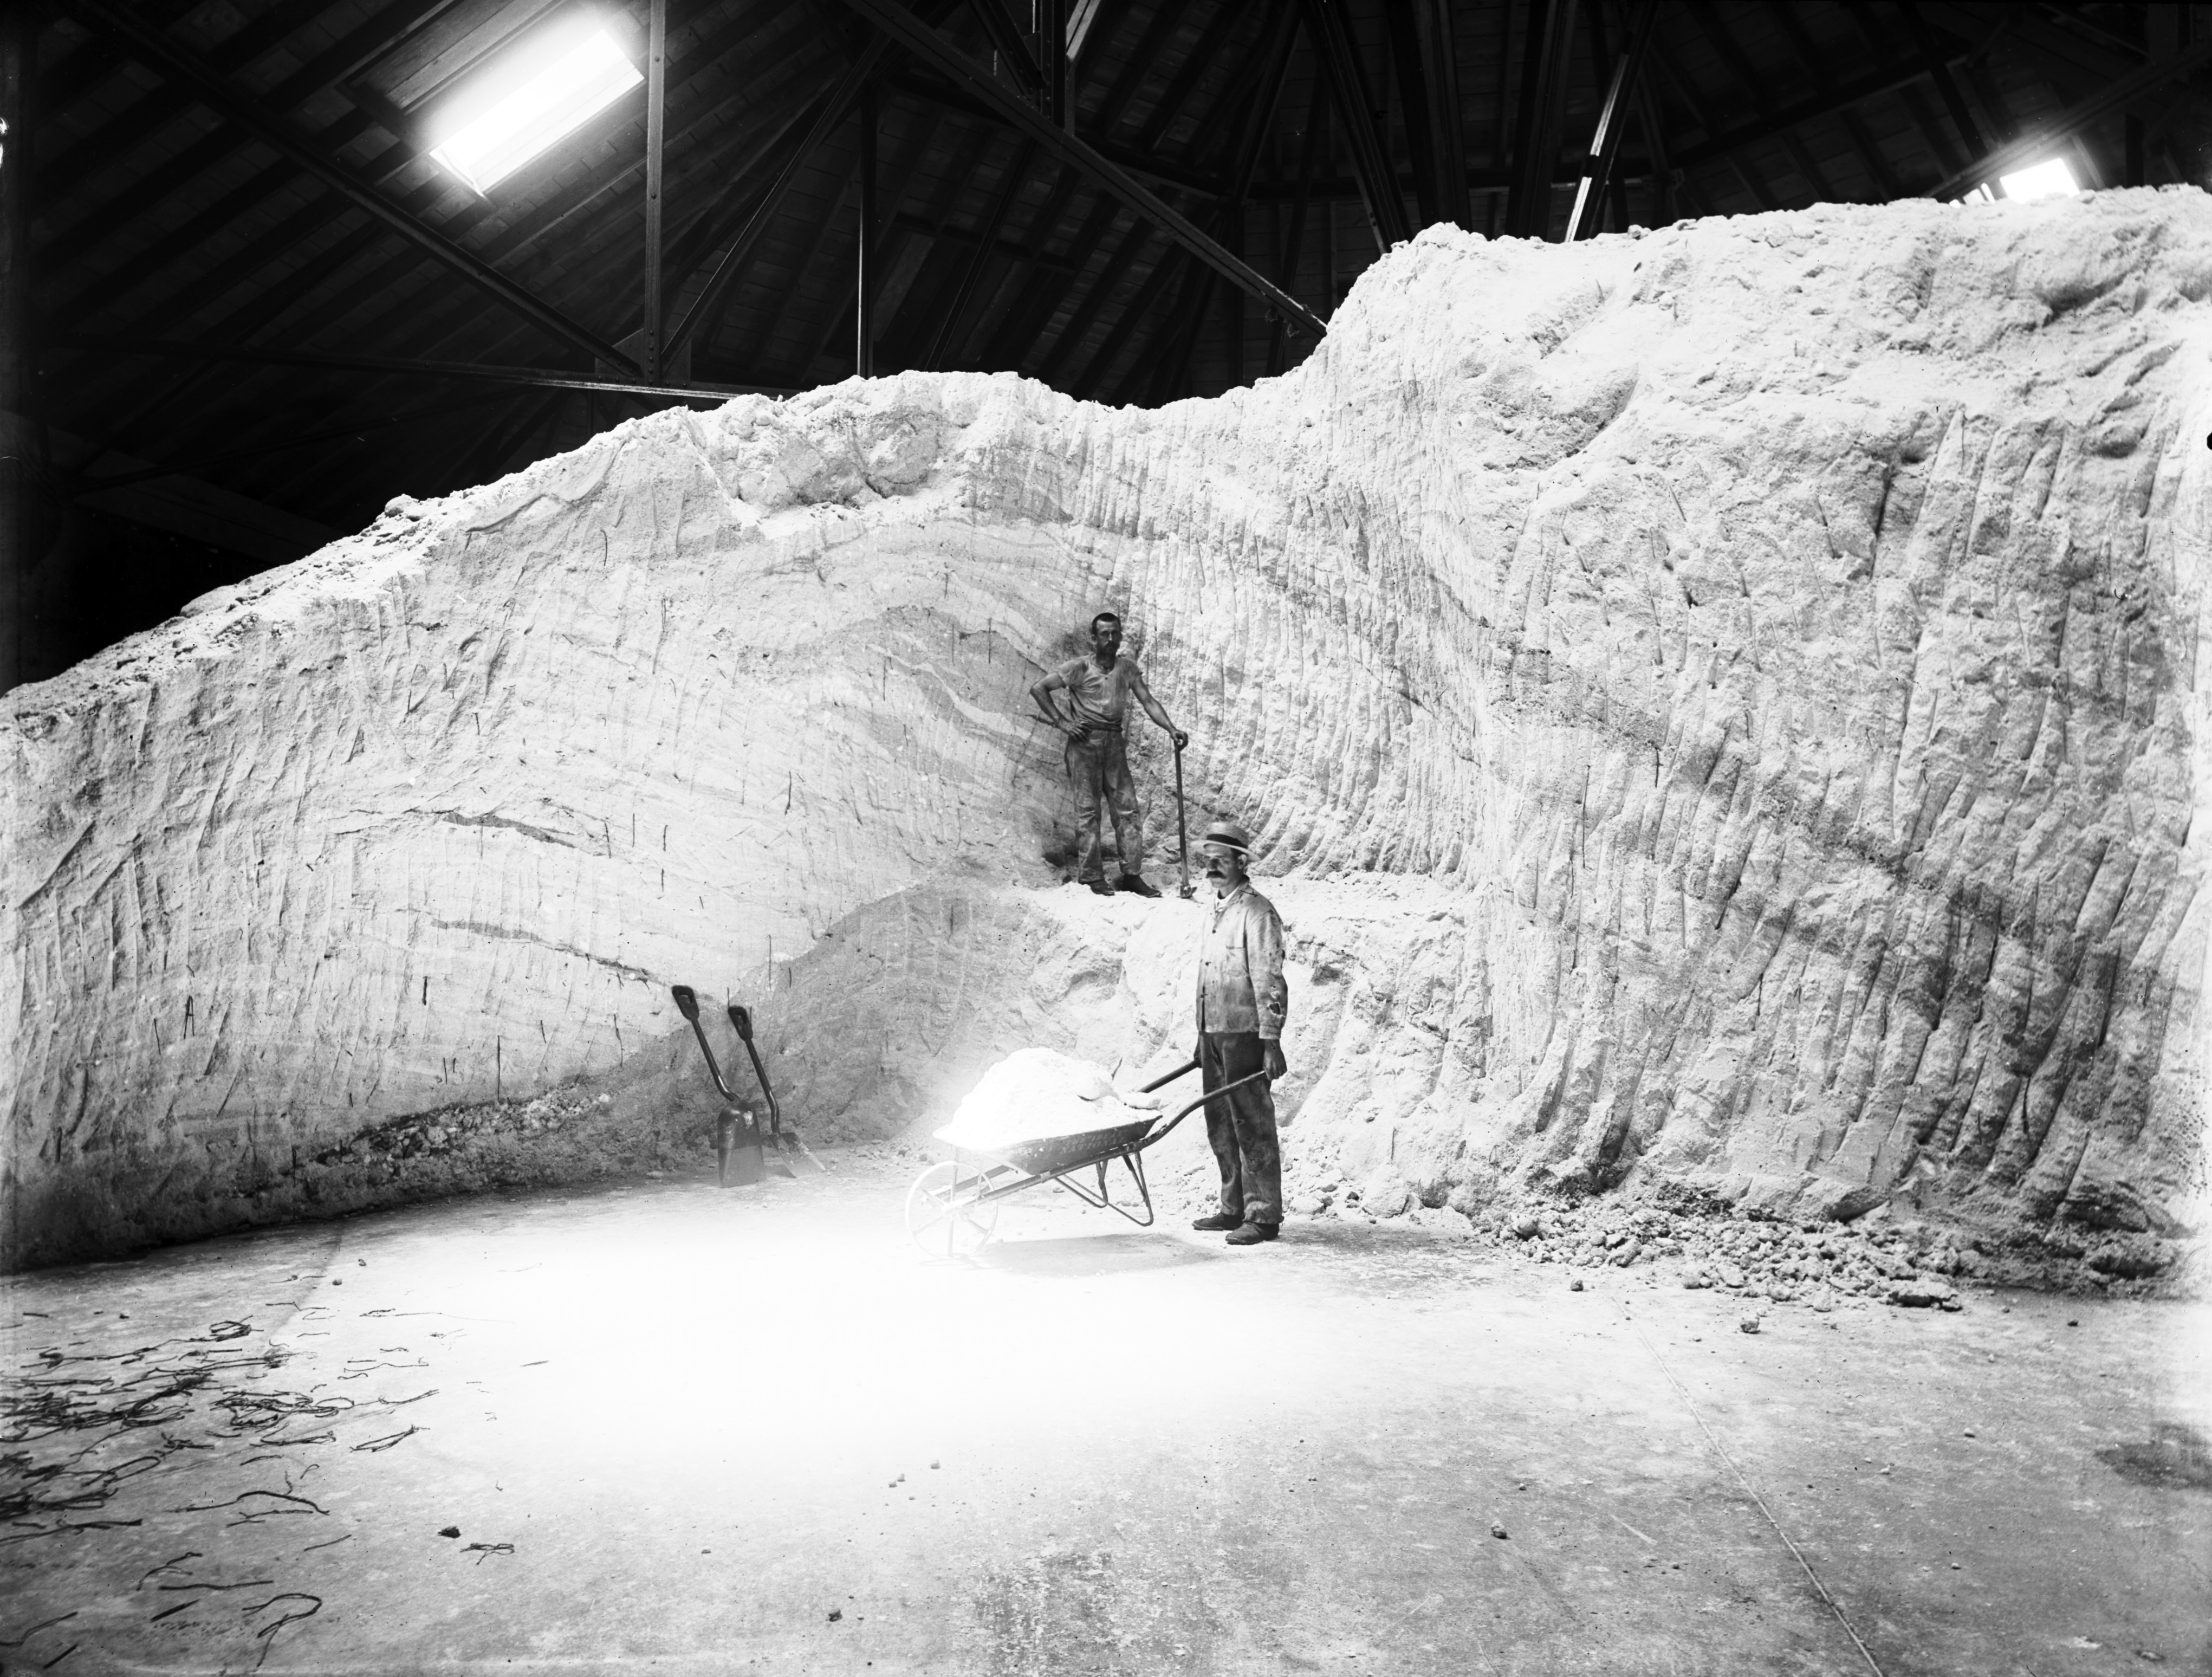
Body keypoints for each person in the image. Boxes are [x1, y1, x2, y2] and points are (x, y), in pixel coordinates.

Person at [1029, 611, 1188, 897]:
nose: (1111, 639)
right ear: (1095, 638)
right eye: (1105, 634)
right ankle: (1092, 877)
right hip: (1084, 745)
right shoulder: (1078, 667)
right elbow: (1039, 688)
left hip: (1114, 743)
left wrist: (1171, 729)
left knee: (1128, 810)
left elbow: (1148, 701)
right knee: (1088, 813)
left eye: (1115, 633)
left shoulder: (1127, 668)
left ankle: (1132, 876)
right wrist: (1063, 723)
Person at [1188, 819, 1289, 1247]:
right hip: (1214, 1032)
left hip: (1246, 1033)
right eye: (1208, 861)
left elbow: (1269, 978)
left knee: (1251, 1123)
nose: (1213, 868)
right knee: (1220, 1123)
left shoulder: (1256, 911)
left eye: (1221, 861)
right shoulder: (1215, 910)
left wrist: (1271, 1040)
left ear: (1240, 863)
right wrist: (1201, 1034)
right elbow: (1208, 977)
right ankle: (1232, 1207)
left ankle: (1262, 1214)